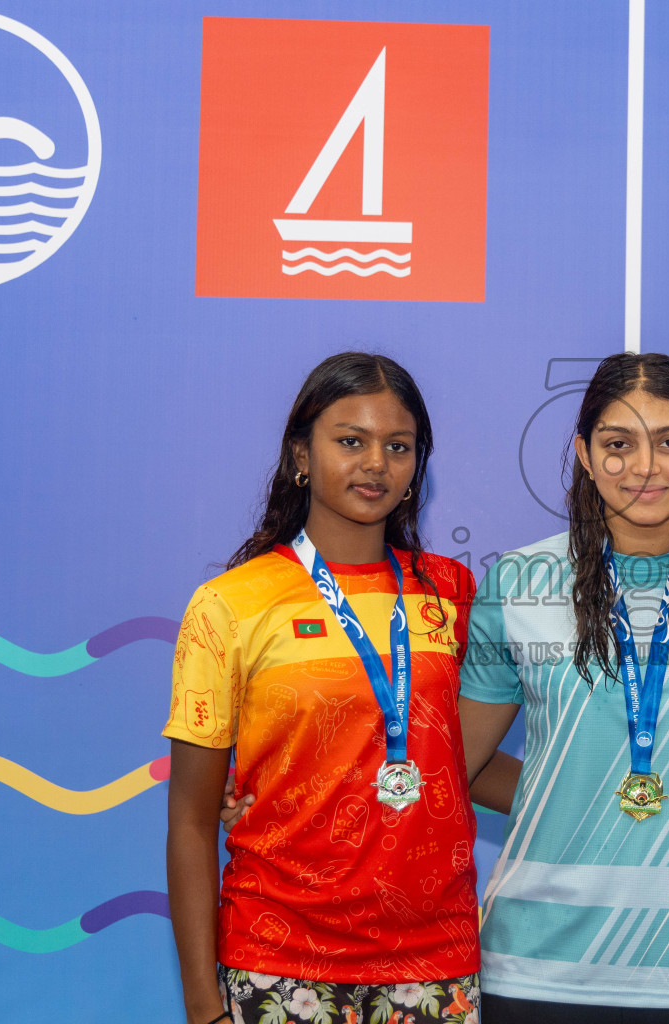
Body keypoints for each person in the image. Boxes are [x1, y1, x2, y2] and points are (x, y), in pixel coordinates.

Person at [456, 352, 669, 1023]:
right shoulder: (519, 582)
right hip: (537, 966)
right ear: (584, 455)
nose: (644, 467)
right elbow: (458, 762)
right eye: (618, 445)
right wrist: (561, 795)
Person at [164, 353, 482, 1024]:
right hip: (277, 959)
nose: (376, 464)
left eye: (399, 447)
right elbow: (192, 821)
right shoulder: (230, 604)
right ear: (300, 455)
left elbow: (460, 759)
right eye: (350, 441)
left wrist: (588, 796)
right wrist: (202, 1005)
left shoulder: (451, 591)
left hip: (434, 960)